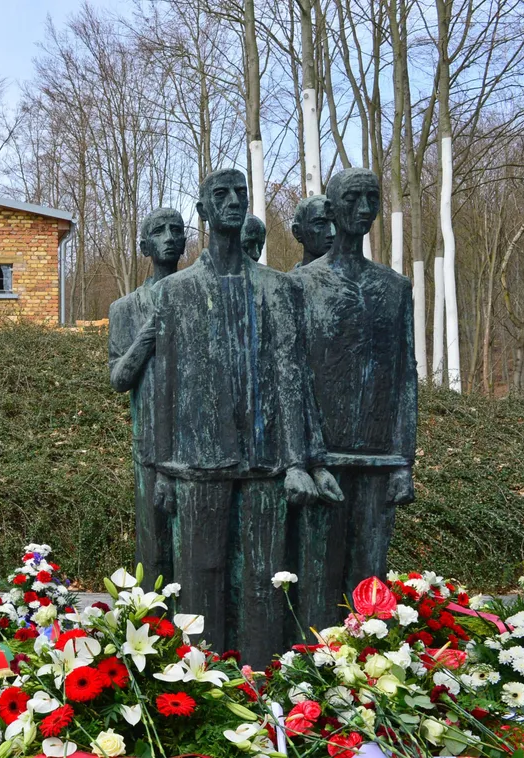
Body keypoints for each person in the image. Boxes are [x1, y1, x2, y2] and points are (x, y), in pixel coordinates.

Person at [146, 168, 340, 666]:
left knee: (262, 579)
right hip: (197, 461)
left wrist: (302, 460)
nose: (232, 201)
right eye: (220, 194)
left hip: (266, 461)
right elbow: (164, 388)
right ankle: (198, 683)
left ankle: (260, 685)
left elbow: (294, 377)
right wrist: (163, 470)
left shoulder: (279, 288)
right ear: (204, 210)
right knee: (200, 574)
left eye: (240, 193)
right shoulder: (176, 292)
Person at [291, 168, 417, 632]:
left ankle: (367, 680)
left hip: (380, 461)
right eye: (353, 198)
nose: (364, 209)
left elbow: (406, 378)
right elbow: (293, 379)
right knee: (317, 583)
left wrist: (404, 462)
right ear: (331, 207)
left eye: (372, 198)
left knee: (371, 587)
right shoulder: (301, 285)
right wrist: (306, 458)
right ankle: (311, 682)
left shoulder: (395, 288)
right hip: (324, 459)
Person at [108, 208, 186, 585]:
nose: (170, 236)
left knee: (195, 550)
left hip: (197, 445)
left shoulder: (198, 299)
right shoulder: (124, 310)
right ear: (144, 245)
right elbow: (119, 378)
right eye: (159, 231)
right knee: (153, 547)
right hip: (150, 444)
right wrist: (149, 333)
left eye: (177, 230)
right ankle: (154, 628)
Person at [292, 195, 334, 268]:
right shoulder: (284, 279)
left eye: (336, 223)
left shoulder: (356, 277)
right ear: (296, 232)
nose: (333, 233)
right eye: (320, 224)